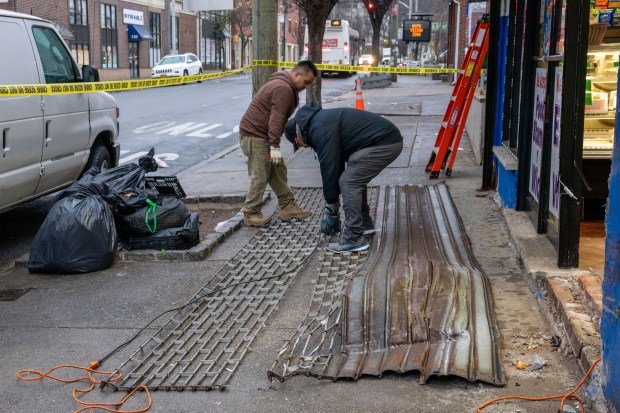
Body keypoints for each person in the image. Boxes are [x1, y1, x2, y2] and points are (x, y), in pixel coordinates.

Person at [284, 103, 403, 253]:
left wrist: (332, 207)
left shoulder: (319, 128)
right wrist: (332, 203)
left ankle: (353, 238)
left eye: (299, 146)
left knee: (349, 182)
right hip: (386, 140)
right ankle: (364, 224)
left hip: (385, 142)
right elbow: (336, 163)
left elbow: (329, 167)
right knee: (354, 176)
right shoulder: (318, 121)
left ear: (297, 139)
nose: (304, 147)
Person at [239, 60, 318, 227]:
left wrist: (273, 145)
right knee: (260, 174)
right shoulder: (283, 88)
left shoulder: (284, 85)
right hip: (255, 136)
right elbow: (276, 119)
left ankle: (288, 207)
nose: (307, 86)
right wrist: (274, 146)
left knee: (278, 170)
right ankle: (250, 213)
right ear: (296, 74)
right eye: (306, 82)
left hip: (261, 135)